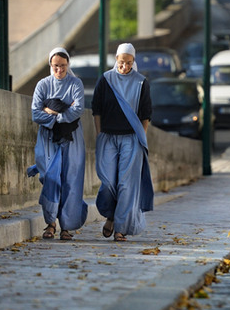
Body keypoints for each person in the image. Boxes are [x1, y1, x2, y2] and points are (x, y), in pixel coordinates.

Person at [92, 42, 154, 242]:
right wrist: (100, 133)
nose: (124, 66)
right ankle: (110, 214)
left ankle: (120, 227)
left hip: (131, 138)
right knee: (109, 181)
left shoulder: (141, 82)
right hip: (108, 137)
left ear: (133, 61)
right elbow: (96, 109)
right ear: (116, 60)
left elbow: (146, 114)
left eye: (128, 63)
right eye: (121, 62)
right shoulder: (106, 80)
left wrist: (140, 136)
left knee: (126, 184)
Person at [30, 47, 88, 241]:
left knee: (70, 179)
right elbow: (35, 113)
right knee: (50, 178)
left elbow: (78, 109)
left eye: (63, 66)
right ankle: (50, 223)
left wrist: (52, 111)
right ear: (50, 65)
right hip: (47, 139)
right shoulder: (42, 85)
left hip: (72, 138)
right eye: (56, 66)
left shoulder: (75, 83)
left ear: (67, 65)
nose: (59, 71)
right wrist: (63, 113)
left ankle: (66, 227)